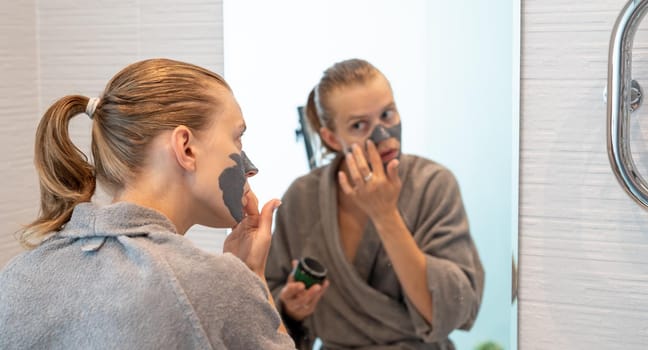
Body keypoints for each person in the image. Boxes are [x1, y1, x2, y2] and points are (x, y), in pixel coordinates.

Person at [0, 58, 296, 349]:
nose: (251, 167)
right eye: (237, 138)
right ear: (186, 148)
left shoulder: (17, 276)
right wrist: (251, 275)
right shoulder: (212, 284)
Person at [265, 58, 484, 349]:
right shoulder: (302, 198)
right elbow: (268, 300)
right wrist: (291, 308)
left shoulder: (433, 185)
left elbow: (452, 309)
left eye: (387, 115)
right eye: (359, 125)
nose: (383, 136)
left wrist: (385, 215)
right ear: (331, 137)